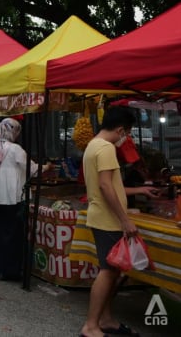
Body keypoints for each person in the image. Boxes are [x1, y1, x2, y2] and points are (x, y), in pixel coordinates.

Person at [79, 107, 160, 337]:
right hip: (108, 220)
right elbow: (105, 187)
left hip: (102, 216)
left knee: (113, 272)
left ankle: (105, 319)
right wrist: (125, 221)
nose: (127, 137)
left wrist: (139, 189)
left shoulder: (93, 145)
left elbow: (110, 185)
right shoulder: (105, 149)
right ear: (121, 129)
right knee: (108, 271)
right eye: (128, 133)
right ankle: (91, 326)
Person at [0, 119, 49, 280]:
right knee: (11, 235)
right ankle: (8, 271)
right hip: (12, 199)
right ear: (14, 131)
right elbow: (31, 169)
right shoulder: (15, 149)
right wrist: (45, 167)